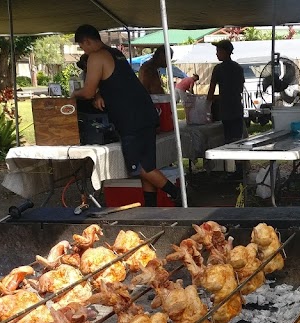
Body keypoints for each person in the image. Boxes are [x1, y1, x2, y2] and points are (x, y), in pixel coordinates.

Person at [73, 24, 180, 206]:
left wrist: (73, 94)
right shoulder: (115, 53)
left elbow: (88, 91)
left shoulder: (96, 57)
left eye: (82, 46)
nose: (83, 50)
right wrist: (100, 94)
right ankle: (151, 209)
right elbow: (113, 81)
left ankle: (177, 194)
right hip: (145, 113)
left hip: (131, 119)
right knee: (148, 166)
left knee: (139, 167)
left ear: (87, 41)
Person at [206, 40, 246, 145]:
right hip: (237, 107)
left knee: (228, 140)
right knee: (238, 139)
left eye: (218, 51)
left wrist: (213, 98)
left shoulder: (218, 69)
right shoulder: (238, 68)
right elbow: (239, 89)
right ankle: (240, 160)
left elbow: (211, 92)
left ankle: (230, 161)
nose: (216, 54)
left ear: (224, 52)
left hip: (225, 110)